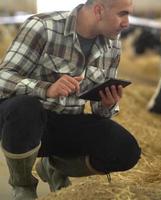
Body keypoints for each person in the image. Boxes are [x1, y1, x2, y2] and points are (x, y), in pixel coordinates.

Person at [0, 0, 141, 199]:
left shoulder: (113, 45)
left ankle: (54, 167)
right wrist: (47, 89)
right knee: (25, 107)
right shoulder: (43, 26)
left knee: (126, 150)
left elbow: (100, 113)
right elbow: (3, 77)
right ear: (99, 10)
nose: (127, 22)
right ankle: (22, 185)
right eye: (122, 14)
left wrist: (107, 104)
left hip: (66, 122)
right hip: (22, 123)